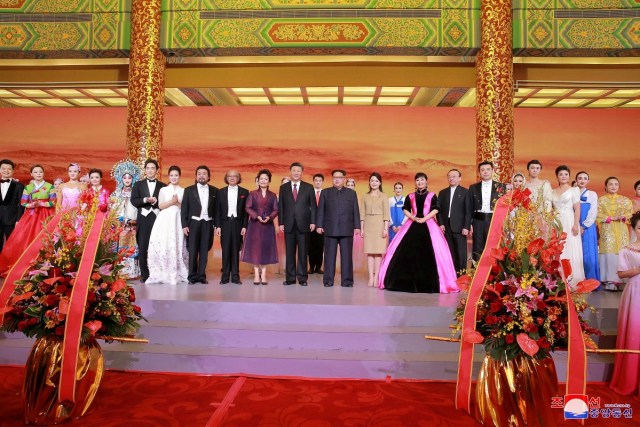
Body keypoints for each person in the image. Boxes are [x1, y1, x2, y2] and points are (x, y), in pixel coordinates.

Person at [379, 172, 458, 293]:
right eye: (417, 180)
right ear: (415, 182)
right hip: (412, 223)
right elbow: (405, 208)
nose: (420, 182)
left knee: (431, 252)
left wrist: (425, 219)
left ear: (426, 181)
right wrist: (413, 217)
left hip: (429, 223)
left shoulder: (432, 195)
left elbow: (436, 209)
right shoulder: (410, 196)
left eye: (422, 180)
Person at [0, 164, 55, 276]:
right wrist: (33, 205)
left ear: (43, 173)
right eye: (35, 172)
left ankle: (45, 265)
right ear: (31, 174)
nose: (38, 174)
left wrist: (41, 203)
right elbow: (23, 203)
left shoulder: (50, 186)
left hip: (46, 215)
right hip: (31, 215)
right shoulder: (27, 187)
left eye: (40, 172)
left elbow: (53, 202)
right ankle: (28, 264)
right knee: (26, 239)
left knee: (45, 238)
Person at [609, 212, 640, 395]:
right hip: (635, 292)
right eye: (639, 227)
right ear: (634, 229)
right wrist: (637, 269)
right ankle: (629, 380)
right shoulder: (627, 250)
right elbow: (621, 274)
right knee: (634, 333)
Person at [316, 169, 360, 287]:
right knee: (329, 256)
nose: (337, 179)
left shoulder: (351, 193)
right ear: (332, 179)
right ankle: (328, 280)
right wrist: (319, 225)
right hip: (330, 229)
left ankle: (347, 281)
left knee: (346, 257)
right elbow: (320, 210)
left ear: (344, 179)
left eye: (340, 177)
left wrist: (357, 226)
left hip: (347, 228)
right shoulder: (325, 192)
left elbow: (355, 210)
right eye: (335, 177)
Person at [147, 165, 188, 285]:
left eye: (176, 175)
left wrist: (178, 202)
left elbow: (184, 207)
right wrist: (172, 201)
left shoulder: (183, 190)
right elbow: (160, 205)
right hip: (165, 219)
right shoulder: (163, 190)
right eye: (171, 175)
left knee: (177, 242)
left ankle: (176, 271)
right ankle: (161, 271)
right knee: (164, 243)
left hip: (177, 219)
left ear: (179, 176)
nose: (174, 177)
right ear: (168, 176)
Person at [278, 163, 315, 286]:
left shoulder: (309, 187)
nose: (296, 172)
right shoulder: (284, 188)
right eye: (294, 170)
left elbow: (313, 207)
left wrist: (313, 222)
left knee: (303, 253)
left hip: (304, 224)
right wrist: (281, 223)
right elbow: (281, 207)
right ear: (290, 171)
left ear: (302, 173)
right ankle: (290, 278)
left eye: (298, 171)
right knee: (290, 253)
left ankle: (303, 278)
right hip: (288, 224)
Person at [131, 159, 166, 283]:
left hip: (158, 218)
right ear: (145, 170)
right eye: (148, 168)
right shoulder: (138, 185)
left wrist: (156, 202)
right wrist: (145, 199)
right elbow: (134, 200)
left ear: (157, 170)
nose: (150, 170)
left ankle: (157, 273)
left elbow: (165, 203)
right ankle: (145, 274)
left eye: (153, 168)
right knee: (143, 246)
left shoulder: (163, 186)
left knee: (158, 246)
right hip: (144, 218)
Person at [182, 165, 218, 285]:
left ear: (208, 176)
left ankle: (202, 275)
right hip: (193, 223)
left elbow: (217, 211)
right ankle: (192, 276)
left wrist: (217, 225)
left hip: (208, 223)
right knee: (192, 250)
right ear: (196, 176)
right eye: (199, 173)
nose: (202, 176)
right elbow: (184, 209)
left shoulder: (215, 190)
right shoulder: (188, 190)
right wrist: (184, 225)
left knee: (204, 250)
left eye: (204, 173)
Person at [242, 169, 279, 285]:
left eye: (266, 179)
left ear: (269, 182)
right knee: (255, 250)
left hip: (268, 226)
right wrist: (256, 216)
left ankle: (263, 274)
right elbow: (247, 208)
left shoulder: (273, 195)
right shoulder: (252, 194)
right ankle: (256, 274)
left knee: (265, 249)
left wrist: (270, 217)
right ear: (258, 181)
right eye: (261, 179)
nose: (263, 181)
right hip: (255, 225)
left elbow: (276, 209)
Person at [551, 165, 585, 288]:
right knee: (557, 248)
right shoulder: (552, 191)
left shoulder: (574, 190)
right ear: (557, 177)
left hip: (570, 221)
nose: (563, 176)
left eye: (566, 174)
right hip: (556, 222)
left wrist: (576, 224)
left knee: (570, 246)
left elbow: (577, 208)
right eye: (561, 174)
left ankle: (572, 280)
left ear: (569, 176)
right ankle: (558, 279)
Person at [598, 176, 633, 291]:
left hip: (621, 230)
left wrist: (623, 217)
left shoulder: (625, 200)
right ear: (606, 186)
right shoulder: (601, 200)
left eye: (616, 184)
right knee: (609, 255)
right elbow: (597, 215)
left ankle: (622, 281)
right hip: (607, 231)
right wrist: (611, 218)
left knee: (622, 254)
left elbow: (630, 214)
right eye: (610, 184)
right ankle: (610, 282)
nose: (613, 186)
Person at [216, 170, 249, 285]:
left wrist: (245, 226)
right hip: (225, 224)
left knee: (235, 250)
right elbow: (217, 211)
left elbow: (246, 212)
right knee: (225, 250)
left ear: (238, 178)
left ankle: (235, 276)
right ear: (226, 178)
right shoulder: (220, 192)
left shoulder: (245, 192)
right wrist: (218, 226)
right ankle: (225, 276)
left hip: (237, 224)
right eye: (230, 176)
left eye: (235, 176)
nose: (232, 178)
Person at [468, 161, 506, 261]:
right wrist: (469, 223)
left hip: (494, 221)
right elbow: (469, 207)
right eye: (482, 170)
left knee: (494, 247)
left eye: (488, 169)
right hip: (477, 221)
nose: (485, 172)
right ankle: (476, 273)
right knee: (477, 247)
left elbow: (504, 207)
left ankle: (494, 274)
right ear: (479, 172)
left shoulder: (501, 187)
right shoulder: (473, 187)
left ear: (493, 171)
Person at [111, 160, 142, 280]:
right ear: (121, 179)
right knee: (119, 249)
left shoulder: (136, 193)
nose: (127, 180)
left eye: (130, 177)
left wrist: (134, 220)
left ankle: (132, 271)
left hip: (132, 225)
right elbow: (113, 209)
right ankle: (120, 271)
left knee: (132, 248)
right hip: (120, 225)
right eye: (125, 177)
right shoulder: (116, 193)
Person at [437, 169, 472, 274]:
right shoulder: (442, 193)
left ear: (459, 178)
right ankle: (450, 275)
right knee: (449, 252)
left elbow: (468, 211)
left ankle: (461, 276)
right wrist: (441, 223)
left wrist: (466, 226)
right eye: (449, 176)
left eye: (454, 176)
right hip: (446, 227)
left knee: (461, 253)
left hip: (460, 227)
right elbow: (438, 210)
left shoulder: (465, 192)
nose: (451, 178)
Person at [359, 172, 390, 287]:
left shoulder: (384, 196)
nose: (374, 183)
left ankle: (377, 277)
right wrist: (362, 228)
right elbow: (362, 213)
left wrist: (385, 228)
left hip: (379, 225)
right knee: (370, 253)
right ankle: (370, 278)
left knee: (378, 253)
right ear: (369, 182)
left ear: (380, 183)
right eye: (372, 180)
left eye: (376, 181)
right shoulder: (365, 196)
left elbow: (386, 214)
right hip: (368, 226)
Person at [575, 171, 600, 283]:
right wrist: (576, 225)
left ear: (588, 181)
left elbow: (593, 212)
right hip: (574, 226)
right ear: (576, 180)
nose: (582, 180)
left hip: (588, 227)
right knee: (576, 253)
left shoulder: (592, 194)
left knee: (588, 254)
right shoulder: (572, 193)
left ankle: (591, 281)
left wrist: (584, 226)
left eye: (585, 178)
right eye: (580, 178)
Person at [0, 159, 24, 254]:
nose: (6, 171)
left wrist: (18, 220)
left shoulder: (19, 186)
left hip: (12, 219)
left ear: (13, 170)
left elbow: (21, 204)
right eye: (3, 168)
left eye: (9, 169)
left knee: (12, 244)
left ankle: (11, 266)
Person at [346, 177, 364, 271]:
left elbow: (360, 212)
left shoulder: (358, 197)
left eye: (351, 185)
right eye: (348, 185)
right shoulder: (342, 196)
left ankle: (352, 268)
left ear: (354, 186)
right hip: (345, 226)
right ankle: (345, 267)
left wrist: (359, 226)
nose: (350, 187)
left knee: (355, 249)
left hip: (355, 225)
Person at [308, 173, 325, 274]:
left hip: (321, 225)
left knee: (320, 246)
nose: (318, 182)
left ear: (322, 182)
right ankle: (311, 267)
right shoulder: (310, 193)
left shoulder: (325, 193)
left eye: (320, 180)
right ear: (313, 182)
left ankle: (319, 267)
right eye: (316, 180)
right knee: (310, 247)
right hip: (310, 224)